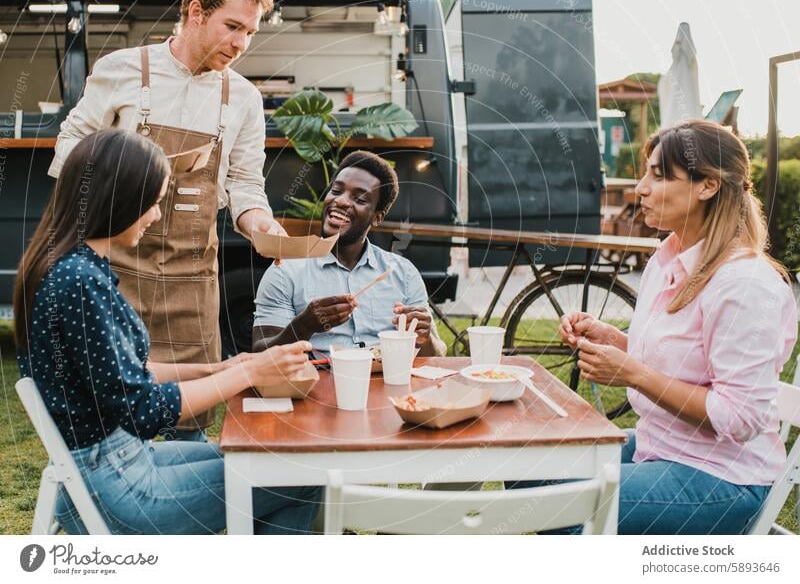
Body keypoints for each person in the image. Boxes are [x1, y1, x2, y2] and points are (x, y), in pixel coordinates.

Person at [16, 130, 320, 534]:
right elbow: (144, 411)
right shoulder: (78, 280)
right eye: (154, 203)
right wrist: (248, 374)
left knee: (268, 459)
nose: (158, 217)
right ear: (119, 199)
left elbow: (131, 372)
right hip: (117, 489)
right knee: (300, 475)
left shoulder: (74, 267)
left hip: (111, 468)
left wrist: (223, 367)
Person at [512, 119, 797, 534]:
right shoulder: (668, 257)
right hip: (658, 448)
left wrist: (632, 373)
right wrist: (616, 340)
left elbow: (739, 417)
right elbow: (688, 359)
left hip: (722, 478)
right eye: (646, 172)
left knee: (560, 501)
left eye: (659, 175)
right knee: (530, 464)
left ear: (708, 186)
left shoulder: (745, 285)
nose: (640, 188)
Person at [46, 0, 287, 442]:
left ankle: (183, 508)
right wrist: (104, 188)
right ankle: (120, 494)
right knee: (114, 410)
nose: (241, 44)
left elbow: (244, 183)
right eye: (232, 27)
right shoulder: (123, 69)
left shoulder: (243, 98)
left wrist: (261, 224)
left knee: (190, 422)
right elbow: (73, 140)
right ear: (196, 13)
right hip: (115, 272)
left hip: (191, 278)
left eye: (250, 32)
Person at [252, 150, 446, 357]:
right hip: (319, 383)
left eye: (360, 199)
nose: (341, 201)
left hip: (389, 382)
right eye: (336, 191)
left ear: (377, 217)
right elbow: (260, 355)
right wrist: (303, 326)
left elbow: (436, 354)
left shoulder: (403, 273)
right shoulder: (285, 271)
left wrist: (424, 337)